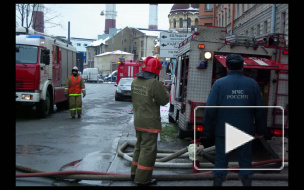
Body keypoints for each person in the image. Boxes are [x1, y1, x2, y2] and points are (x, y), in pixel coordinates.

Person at [202, 54, 266, 186]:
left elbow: (210, 109)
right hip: (245, 130)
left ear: (227, 67)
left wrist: (208, 130)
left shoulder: (219, 84)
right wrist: (261, 130)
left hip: (223, 131)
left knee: (220, 163)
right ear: (242, 67)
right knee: (245, 163)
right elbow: (260, 110)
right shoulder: (252, 84)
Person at [130, 56, 170, 186]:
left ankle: (134, 173)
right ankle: (142, 179)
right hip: (150, 123)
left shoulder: (135, 81)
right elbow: (164, 100)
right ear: (156, 70)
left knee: (139, 147)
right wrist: (166, 89)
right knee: (148, 150)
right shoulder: (154, 83)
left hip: (138, 121)